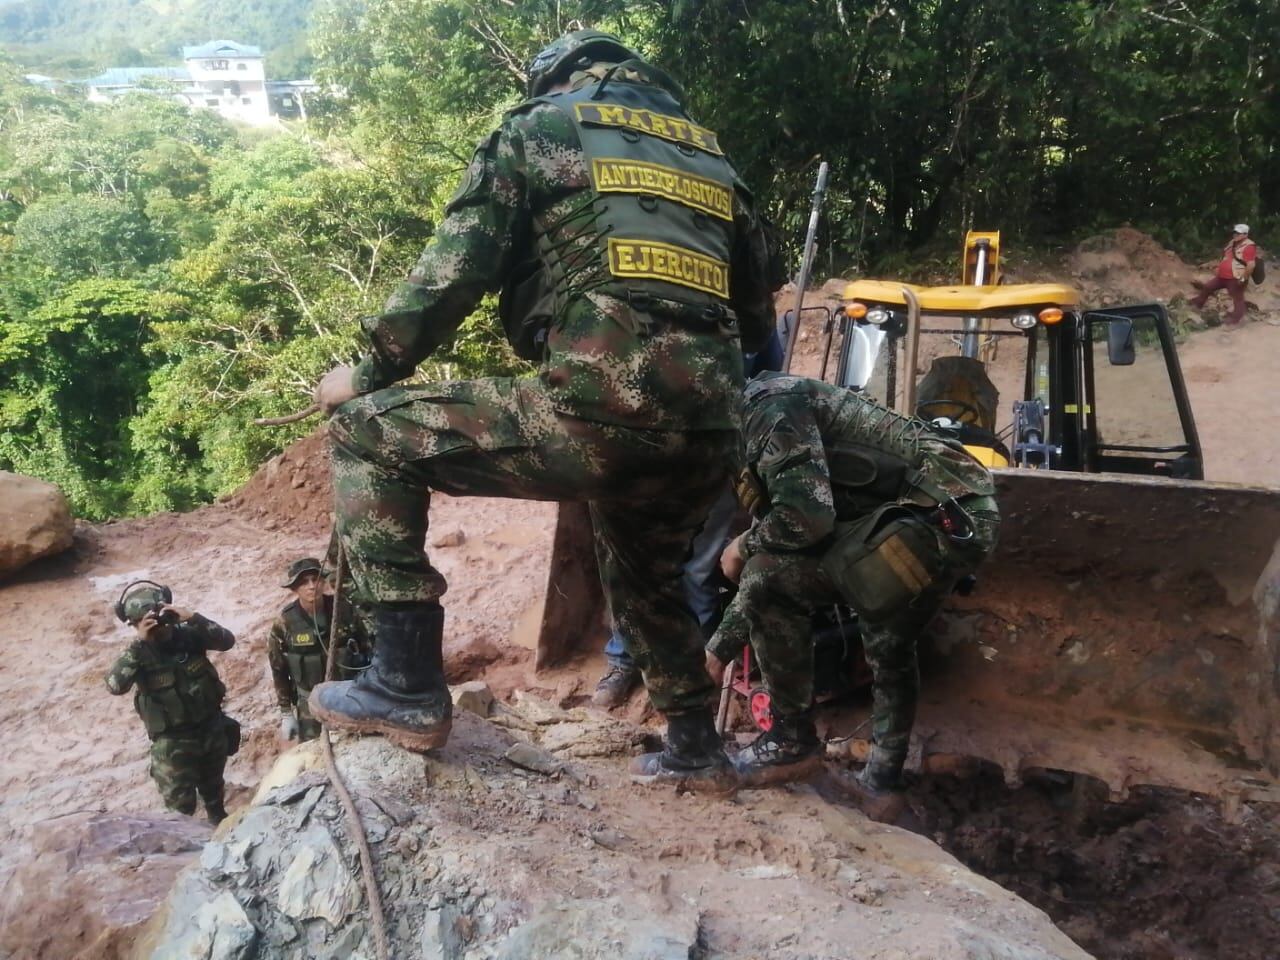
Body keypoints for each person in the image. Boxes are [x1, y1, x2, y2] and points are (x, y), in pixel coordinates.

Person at [307, 30, 776, 791]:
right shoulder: (714, 164)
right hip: (711, 434)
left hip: (596, 412)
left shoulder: (541, 126)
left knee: (366, 434)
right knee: (646, 574)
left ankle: (403, 683)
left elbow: (456, 269)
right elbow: (755, 320)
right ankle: (695, 746)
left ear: (556, 80)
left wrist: (370, 369)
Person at [704, 373, 1000, 817]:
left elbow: (804, 521)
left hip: (943, 514)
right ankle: (856, 770)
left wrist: (718, 643)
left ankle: (857, 773)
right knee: (867, 626)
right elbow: (786, 515)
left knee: (876, 625)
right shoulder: (742, 423)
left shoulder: (770, 409)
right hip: (890, 513)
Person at [593, 328, 785, 708]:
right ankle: (624, 659)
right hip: (649, 456)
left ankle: (699, 669)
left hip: (715, 458)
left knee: (699, 569)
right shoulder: (646, 310)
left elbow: (768, 374)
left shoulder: (743, 316)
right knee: (636, 564)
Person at [105, 580, 236, 824]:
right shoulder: (138, 653)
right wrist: (140, 644)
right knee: (179, 815)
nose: (159, 628)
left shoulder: (189, 636)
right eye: (146, 622)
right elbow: (114, 686)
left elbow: (227, 641)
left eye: (160, 619)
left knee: (215, 798)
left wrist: (193, 617)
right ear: (133, 624)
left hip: (210, 729)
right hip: (173, 744)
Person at [268, 557, 372, 742]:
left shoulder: (344, 610)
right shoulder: (285, 623)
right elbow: (278, 669)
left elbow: (369, 649)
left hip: (348, 698)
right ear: (294, 588)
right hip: (309, 705)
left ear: (323, 581)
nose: (311, 586)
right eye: (304, 582)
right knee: (314, 750)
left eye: (315, 579)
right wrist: (286, 713)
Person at [1191, 224, 1258, 327]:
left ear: (1245, 235)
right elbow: (1225, 256)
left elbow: (1251, 265)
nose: (1236, 235)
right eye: (1235, 232)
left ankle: (1237, 319)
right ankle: (1197, 304)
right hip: (1222, 276)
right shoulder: (1232, 243)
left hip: (1235, 278)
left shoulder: (1249, 246)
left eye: (1239, 233)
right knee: (1208, 287)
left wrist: (1243, 278)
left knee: (1237, 298)